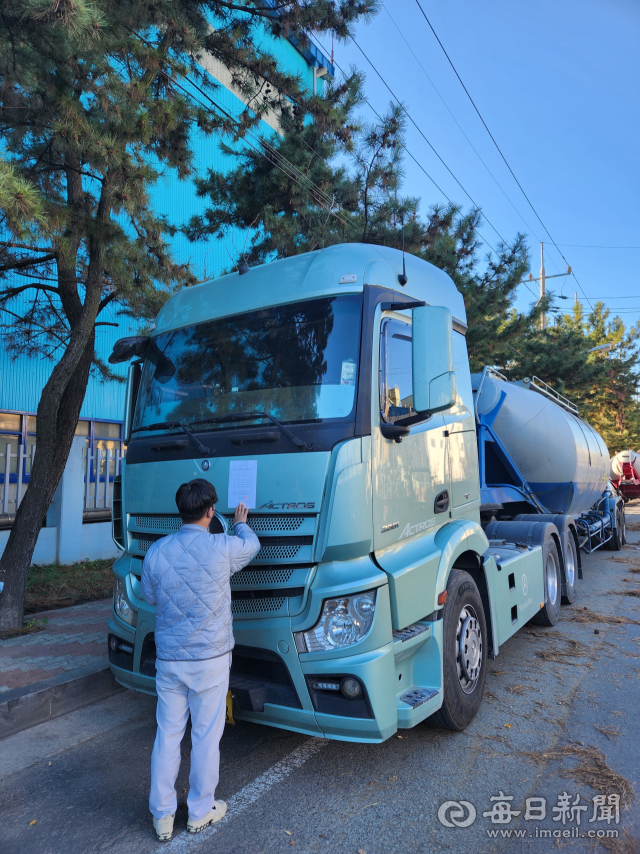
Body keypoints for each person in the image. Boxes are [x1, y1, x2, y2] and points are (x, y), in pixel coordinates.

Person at [141, 478, 260, 841]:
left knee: (168, 734)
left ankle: (162, 815)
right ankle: (199, 811)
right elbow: (252, 545)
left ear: (181, 511)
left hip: (171, 660)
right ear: (210, 512)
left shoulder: (157, 551)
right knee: (206, 736)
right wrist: (240, 521)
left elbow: (150, 596)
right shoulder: (223, 547)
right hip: (210, 659)